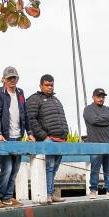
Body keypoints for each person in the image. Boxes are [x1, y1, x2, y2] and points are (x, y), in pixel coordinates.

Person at [0, 66, 34, 208]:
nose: (12, 80)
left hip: (18, 137)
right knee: (7, 168)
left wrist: (30, 133)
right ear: (3, 79)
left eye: (14, 77)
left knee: (15, 169)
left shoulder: (20, 93)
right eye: (9, 78)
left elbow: (25, 115)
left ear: (17, 78)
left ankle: (8, 197)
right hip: (5, 137)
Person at [25, 74, 68, 204]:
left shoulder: (56, 100)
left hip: (61, 140)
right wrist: (43, 136)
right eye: (47, 85)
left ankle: (50, 193)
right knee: (48, 167)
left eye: (51, 85)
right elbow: (31, 119)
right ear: (41, 85)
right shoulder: (34, 99)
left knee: (54, 168)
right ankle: (47, 195)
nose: (49, 87)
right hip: (48, 140)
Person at [83, 88, 109, 197]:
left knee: (108, 168)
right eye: (98, 96)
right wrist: (106, 120)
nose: (101, 98)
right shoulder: (88, 109)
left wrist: (100, 119)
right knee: (95, 168)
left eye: (103, 97)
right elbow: (93, 120)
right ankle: (93, 190)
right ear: (93, 97)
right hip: (95, 144)